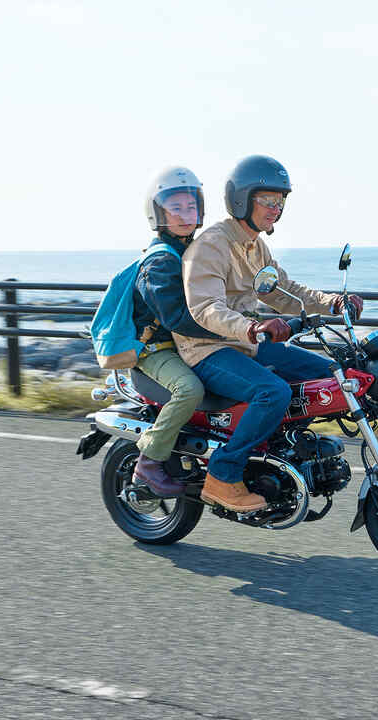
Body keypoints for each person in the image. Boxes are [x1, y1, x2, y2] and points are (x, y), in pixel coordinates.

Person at [173, 155, 363, 513]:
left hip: (247, 343)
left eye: (281, 201)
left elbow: (283, 291)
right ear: (242, 199)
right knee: (271, 391)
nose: (276, 209)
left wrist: (333, 303)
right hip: (207, 349)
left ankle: (278, 449)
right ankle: (222, 473)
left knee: (326, 375)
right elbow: (205, 308)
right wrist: (253, 326)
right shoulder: (212, 246)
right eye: (268, 200)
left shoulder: (255, 245)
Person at [132, 166, 222, 498]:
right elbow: (177, 319)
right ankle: (149, 460)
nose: (186, 214)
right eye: (176, 208)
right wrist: (233, 330)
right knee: (189, 389)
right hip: (156, 351)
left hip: (188, 346)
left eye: (191, 206)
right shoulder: (159, 262)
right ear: (159, 213)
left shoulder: (193, 252)